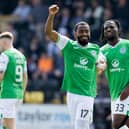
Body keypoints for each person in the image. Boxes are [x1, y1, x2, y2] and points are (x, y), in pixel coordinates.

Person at [45, 4, 106, 129]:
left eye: (86, 31)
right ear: (75, 33)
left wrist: (100, 66)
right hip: (72, 93)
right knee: (75, 125)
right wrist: (51, 16)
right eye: (81, 31)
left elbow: (102, 62)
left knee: (81, 124)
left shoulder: (95, 49)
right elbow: (49, 33)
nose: (84, 33)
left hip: (87, 94)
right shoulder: (69, 45)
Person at [100, 19, 129, 129]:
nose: (108, 29)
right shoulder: (102, 51)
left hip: (125, 93)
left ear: (118, 29)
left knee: (116, 125)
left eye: (111, 27)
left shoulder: (127, 44)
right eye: (106, 28)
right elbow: (99, 69)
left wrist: (127, 89)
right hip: (115, 94)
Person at [0, 32, 28, 129]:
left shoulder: (5, 55)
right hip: (18, 95)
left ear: (3, 42)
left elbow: (0, 76)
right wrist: (22, 93)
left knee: (10, 125)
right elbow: (25, 77)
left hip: (7, 94)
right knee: (4, 122)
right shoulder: (21, 56)